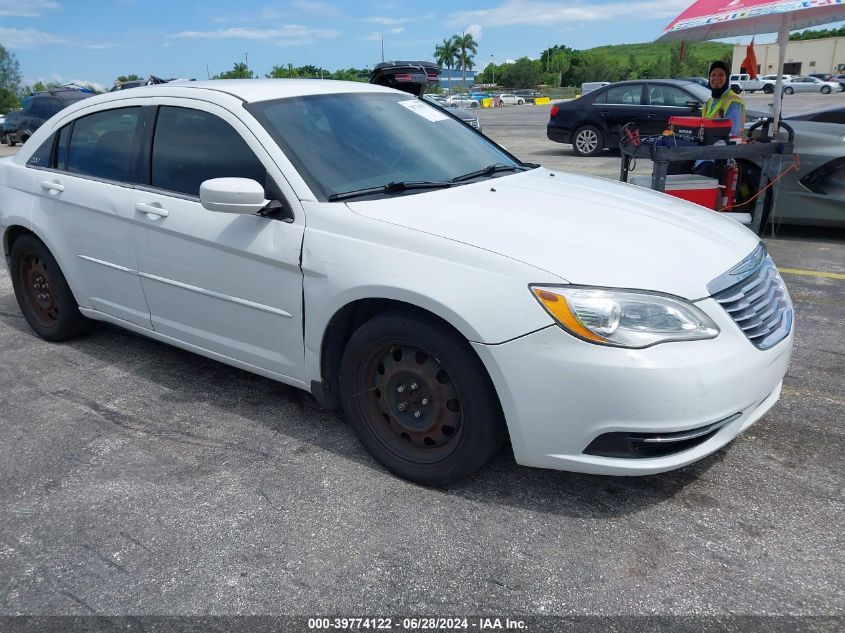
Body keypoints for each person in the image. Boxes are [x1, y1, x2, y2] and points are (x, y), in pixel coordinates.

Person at [702, 60, 746, 138]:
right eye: (713, 75)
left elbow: (733, 134)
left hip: (725, 148)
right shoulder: (708, 103)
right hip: (708, 146)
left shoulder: (734, 102)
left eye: (721, 75)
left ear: (727, 78)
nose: (716, 78)